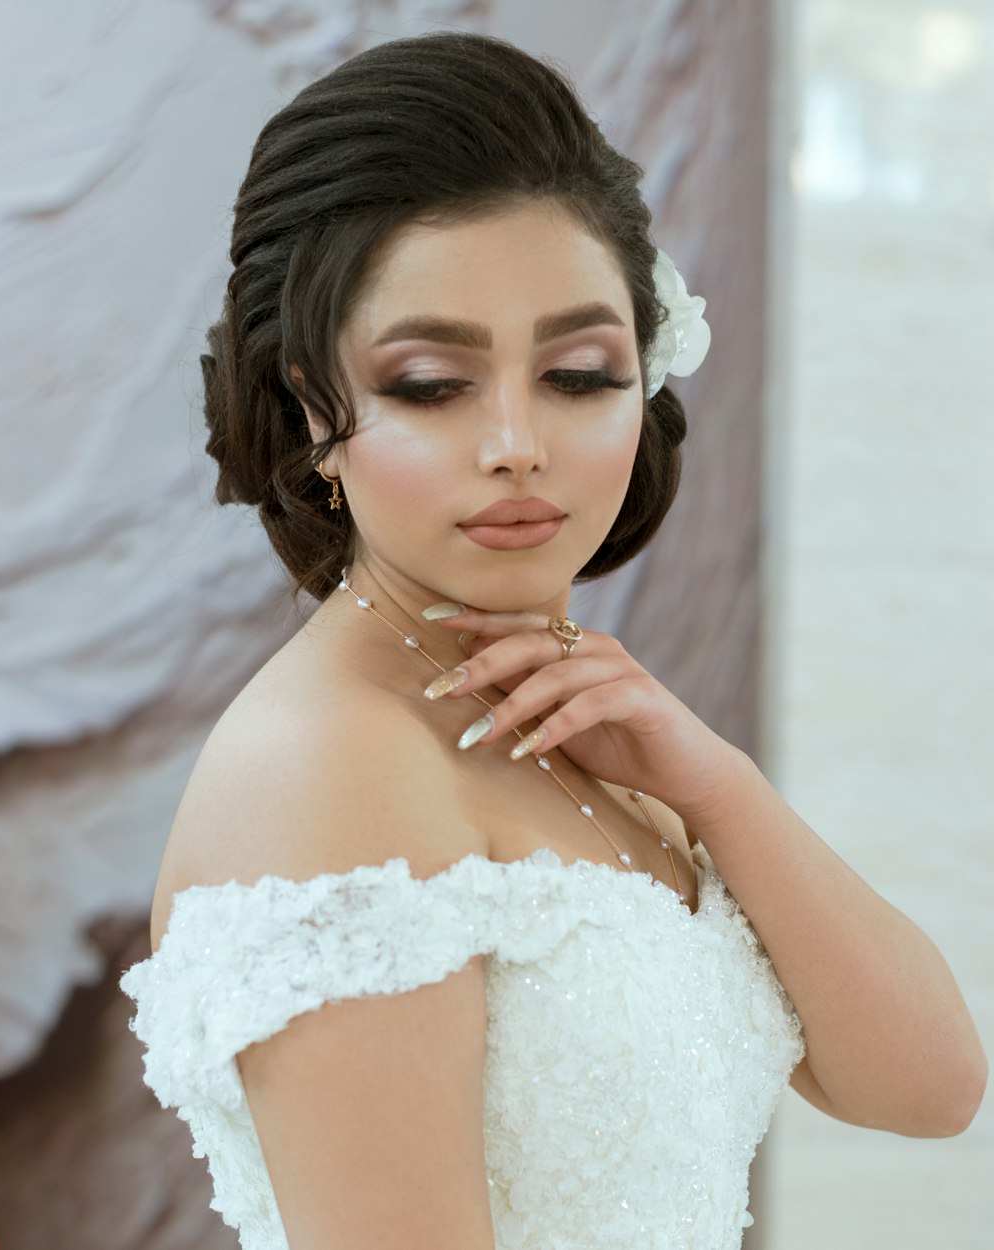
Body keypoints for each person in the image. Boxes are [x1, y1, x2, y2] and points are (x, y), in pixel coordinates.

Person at [119, 30, 986, 1250]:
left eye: (579, 372)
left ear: (647, 372)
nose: (517, 440)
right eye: (432, 382)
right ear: (316, 402)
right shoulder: (327, 764)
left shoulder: (604, 736)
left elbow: (929, 1086)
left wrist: (717, 787)